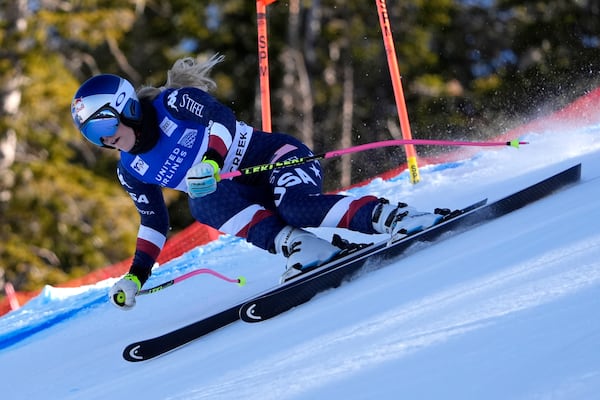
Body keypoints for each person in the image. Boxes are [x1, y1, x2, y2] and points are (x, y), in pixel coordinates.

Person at [70, 54, 444, 310]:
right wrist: (135, 277)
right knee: (202, 204)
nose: (104, 139)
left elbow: (222, 121)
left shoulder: (174, 103)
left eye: (104, 125)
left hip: (275, 157)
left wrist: (213, 162)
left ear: (127, 107)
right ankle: (305, 248)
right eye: (91, 134)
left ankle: (394, 217)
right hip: (245, 194)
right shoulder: (130, 168)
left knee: (296, 206)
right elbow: (154, 222)